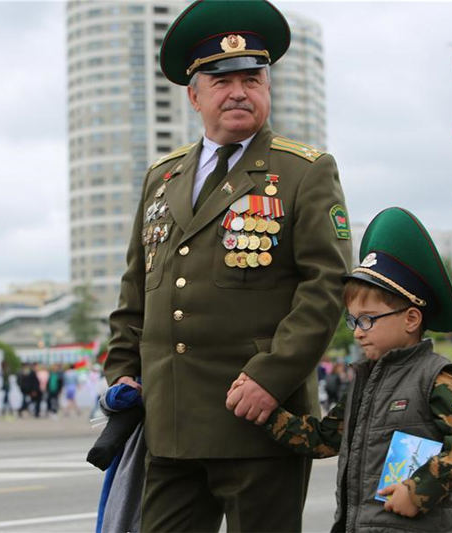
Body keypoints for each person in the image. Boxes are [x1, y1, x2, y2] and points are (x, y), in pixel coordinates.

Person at [104, 1, 352, 529]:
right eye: (221, 80)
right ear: (194, 94)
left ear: (268, 87)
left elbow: (326, 287)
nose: (239, 91)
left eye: (252, 78)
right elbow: (136, 290)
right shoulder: (163, 178)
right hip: (169, 425)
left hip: (258, 420)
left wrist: (273, 376)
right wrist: (122, 372)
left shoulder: (303, 172)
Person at [230, 207, 452, 531]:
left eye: (368, 319)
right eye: (353, 320)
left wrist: (419, 490)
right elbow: (324, 440)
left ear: (411, 319)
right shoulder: (364, 380)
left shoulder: (434, 377)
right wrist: (267, 413)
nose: (357, 331)